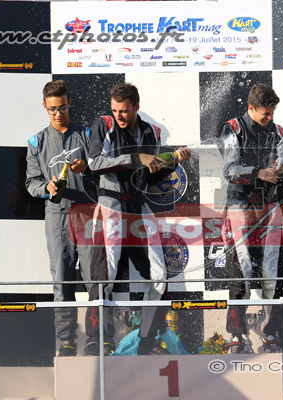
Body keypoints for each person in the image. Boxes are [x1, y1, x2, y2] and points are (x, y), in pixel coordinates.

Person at [87, 82, 191, 355]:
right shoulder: (104, 124)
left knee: (159, 276)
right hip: (110, 206)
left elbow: (150, 176)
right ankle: (95, 341)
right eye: (115, 110)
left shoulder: (150, 132)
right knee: (104, 277)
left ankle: (147, 339)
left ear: (136, 107)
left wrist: (173, 163)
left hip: (138, 207)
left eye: (123, 111)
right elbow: (94, 163)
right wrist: (137, 157)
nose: (118, 116)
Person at [217, 84, 283, 353]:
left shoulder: (279, 131)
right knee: (241, 271)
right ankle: (237, 334)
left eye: (273, 113)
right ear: (251, 108)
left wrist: (281, 168)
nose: (270, 118)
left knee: (274, 273)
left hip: (269, 206)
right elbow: (229, 169)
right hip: (240, 205)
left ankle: (271, 332)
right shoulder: (233, 128)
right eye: (266, 113)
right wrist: (258, 172)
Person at [25, 80, 97, 357]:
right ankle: (66, 341)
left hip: (88, 213)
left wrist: (86, 168)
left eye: (62, 107)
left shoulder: (87, 135)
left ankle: (97, 338)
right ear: (44, 107)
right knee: (62, 280)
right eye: (52, 109)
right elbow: (31, 183)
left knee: (95, 279)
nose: (58, 113)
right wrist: (47, 187)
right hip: (56, 215)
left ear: (70, 104)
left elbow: (104, 171)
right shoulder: (36, 142)